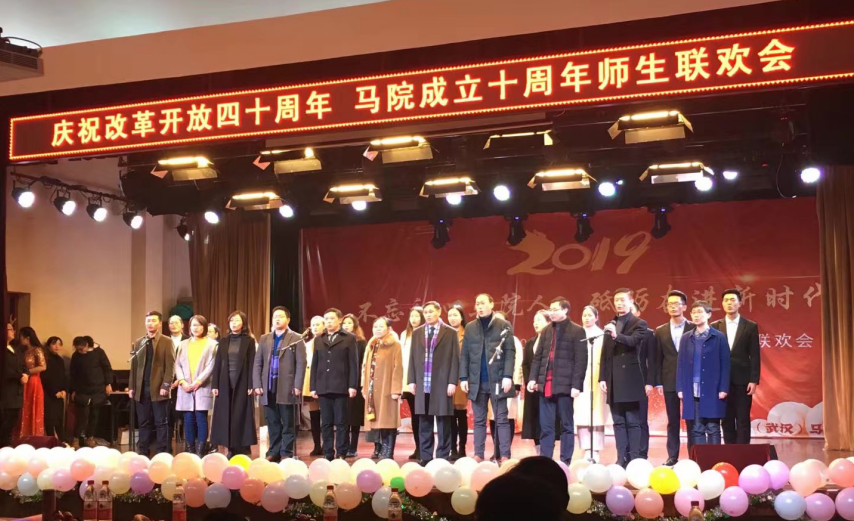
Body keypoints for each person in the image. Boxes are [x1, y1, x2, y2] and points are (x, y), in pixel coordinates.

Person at [527, 298, 586, 465]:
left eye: (555, 309)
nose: (551, 312)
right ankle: (545, 461)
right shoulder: (547, 330)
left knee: (566, 425)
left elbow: (581, 361)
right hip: (546, 385)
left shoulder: (577, 331)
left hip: (565, 386)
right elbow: (538, 357)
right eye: (550, 309)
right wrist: (533, 378)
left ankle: (565, 461)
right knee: (546, 426)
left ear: (565, 310)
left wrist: (576, 385)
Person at [460, 294, 515, 463]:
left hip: (498, 380)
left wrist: (507, 376)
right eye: (477, 304)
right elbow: (465, 354)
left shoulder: (503, 325)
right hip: (477, 381)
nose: (479, 306)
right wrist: (463, 377)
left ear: (492, 304)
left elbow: (510, 353)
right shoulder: (470, 327)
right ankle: (478, 454)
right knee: (479, 420)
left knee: (501, 419)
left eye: (483, 303)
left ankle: (504, 455)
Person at [599, 288, 648, 467]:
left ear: (631, 301)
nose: (619, 303)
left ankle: (634, 458)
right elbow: (605, 353)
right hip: (613, 379)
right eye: (616, 300)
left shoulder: (639, 323)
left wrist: (616, 335)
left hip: (631, 379)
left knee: (633, 421)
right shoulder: (611, 323)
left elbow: (634, 341)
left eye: (622, 300)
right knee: (618, 421)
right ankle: (621, 458)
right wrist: (602, 377)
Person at [408, 301, 460, 464]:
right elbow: (412, 358)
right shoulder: (417, 333)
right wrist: (411, 380)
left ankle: (442, 456)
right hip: (423, 382)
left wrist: (452, 381)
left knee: (443, 421)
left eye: (431, 312)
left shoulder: (450, 332)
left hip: (442, 383)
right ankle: (425, 456)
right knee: (424, 421)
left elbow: (455, 359)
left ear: (438, 312)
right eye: (426, 312)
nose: (428, 315)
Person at [253, 306, 307, 462]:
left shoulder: (296, 338)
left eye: (281, 316)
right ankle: (274, 451)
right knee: (272, 421)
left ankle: (286, 451)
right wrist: (257, 383)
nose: (277, 319)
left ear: (288, 320)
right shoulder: (265, 338)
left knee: (288, 422)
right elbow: (258, 363)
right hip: (268, 386)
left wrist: (297, 385)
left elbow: (301, 364)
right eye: (275, 316)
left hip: (287, 386)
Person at [676, 301, 730, 446]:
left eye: (700, 312)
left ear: (709, 315)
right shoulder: (686, 338)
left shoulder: (718, 337)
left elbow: (725, 365)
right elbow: (680, 364)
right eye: (694, 312)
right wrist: (680, 387)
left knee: (713, 427)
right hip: (691, 388)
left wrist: (723, 388)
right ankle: (700, 458)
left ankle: (714, 458)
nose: (696, 315)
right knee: (696, 428)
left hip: (712, 388)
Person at [712, 288, 761, 445]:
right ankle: (730, 451)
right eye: (726, 300)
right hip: (722, 381)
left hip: (743, 380)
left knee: (742, 418)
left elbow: (755, 355)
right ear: (722, 304)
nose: (729, 303)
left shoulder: (750, 326)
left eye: (732, 300)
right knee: (726, 419)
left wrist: (753, 380)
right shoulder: (715, 326)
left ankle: (743, 452)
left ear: (740, 303)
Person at [653, 290, 695, 465]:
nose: (673, 307)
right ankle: (672, 456)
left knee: (692, 419)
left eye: (677, 303)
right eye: (670, 304)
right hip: (669, 379)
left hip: (690, 380)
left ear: (684, 307)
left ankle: (694, 455)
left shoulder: (693, 327)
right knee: (673, 420)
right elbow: (657, 358)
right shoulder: (660, 330)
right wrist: (658, 382)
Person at [311, 308, 358, 461]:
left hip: (341, 386)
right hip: (323, 386)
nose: (329, 322)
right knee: (326, 422)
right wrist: (313, 386)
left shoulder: (349, 338)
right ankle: (328, 452)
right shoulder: (319, 339)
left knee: (341, 422)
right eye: (326, 319)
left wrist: (352, 385)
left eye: (332, 318)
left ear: (339, 320)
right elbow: (315, 363)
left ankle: (342, 452)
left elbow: (353, 364)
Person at [211, 311, 258, 457]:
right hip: (225, 382)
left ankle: (242, 447)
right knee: (226, 415)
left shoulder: (249, 341)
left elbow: (252, 364)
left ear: (243, 323)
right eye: (231, 320)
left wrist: (251, 384)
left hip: (242, 382)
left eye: (237, 320)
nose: (234, 323)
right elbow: (217, 364)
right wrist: (215, 384)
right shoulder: (224, 341)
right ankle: (229, 446)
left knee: (241, 415)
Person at [129, 311, 175, 456]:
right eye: (148, 321)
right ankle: (143, 450)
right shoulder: (139, 342)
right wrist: (132, 387)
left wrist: (166, 385)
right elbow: (134, 366)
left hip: (158, 387)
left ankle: (162, 451)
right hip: (141, 388)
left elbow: (170, 365)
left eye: (154, 321)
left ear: (160, 324)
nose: (150, 323)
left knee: (161, 422)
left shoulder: (167, 341)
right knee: (143, 422)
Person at [175, 315, 217, 455]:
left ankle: (201, 450)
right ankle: (190, 450)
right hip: (185, 387)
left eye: (199, 325)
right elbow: (177, 365)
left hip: (202, 386)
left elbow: (212, 365)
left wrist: (199, 381)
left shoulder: (212, 344)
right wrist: (182, 381)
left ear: (204, 327)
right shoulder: (183, 344)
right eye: (193, 325)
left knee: (201, 418)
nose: (196, 328)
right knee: (188, 419)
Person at [363, 317, 403, 459]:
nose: (377, 329)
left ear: (389, 328)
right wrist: (365, 388)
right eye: (375, 326)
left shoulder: (395, 345)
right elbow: (366, 368)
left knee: (388, 421)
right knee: (378, 421)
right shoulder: (372, 344)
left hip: (388, 388)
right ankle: (380, 449)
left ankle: (388, 451)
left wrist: (396, 390)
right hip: (373, 390)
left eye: (381, 326)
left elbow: (398, 368)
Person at [488, 311, 523, 462]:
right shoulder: (489, 339)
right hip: (491, 384)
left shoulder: (513, 339)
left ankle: (505, 451)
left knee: (507, 417)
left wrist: (516, 383)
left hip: (508, 384)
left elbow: (518, 363)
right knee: (493, 417)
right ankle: (496, 450)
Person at [576, 306, 610, 462]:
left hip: (597, 377)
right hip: (580, 378)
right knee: (581, 413)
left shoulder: (602, 335)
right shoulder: (577, 334)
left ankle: (595, 449)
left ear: (596, 317)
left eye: (590, 315)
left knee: (597, 413)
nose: (586, 318)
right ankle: (585, 448)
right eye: (584, 315)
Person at [69, 336, 113, 448]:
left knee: (94, 415)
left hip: (98, 389)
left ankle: (90, 437)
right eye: (77, 349)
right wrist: (73, 390)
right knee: (82, 416)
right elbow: (73, 373)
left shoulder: (99, 352)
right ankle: (76, 438)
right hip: (82, 390)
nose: (79, 351)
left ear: (86, 345)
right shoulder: (76, 356)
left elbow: (107, 368)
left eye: (81, 349)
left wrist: (108, 384)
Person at [520, 310, 550, 451]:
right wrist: (530, 381)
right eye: (534, 321)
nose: (535, 323)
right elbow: (525, 364)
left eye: (539, 320)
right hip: (532, 388)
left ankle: (547, 447)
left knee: (546, 418)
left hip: (547, 386)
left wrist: (541, 382)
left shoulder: (552, 342)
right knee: (534, 417)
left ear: (548, 322)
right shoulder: (531, 342)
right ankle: (537, 446)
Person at [631, 303, 656, 460]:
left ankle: (641, 453)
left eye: (632, 311)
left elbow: (651, 360)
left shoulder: (648, 334)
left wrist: (649, 382)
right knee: (626, 419)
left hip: (640, 381)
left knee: (641, 419)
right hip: (622, 382)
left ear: (638, 313)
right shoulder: (617, 333)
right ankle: (628, 452)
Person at [400, 306, 425, 461]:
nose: (414, 319)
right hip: (407, 381)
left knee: (423, 415)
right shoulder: (405, 334)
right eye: (412, 316)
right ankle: (418, 447)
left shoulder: (425, 332)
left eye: (417, 316)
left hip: (422, 380)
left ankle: (425, 447)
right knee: (415, 415)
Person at [341, 314, 367, 458]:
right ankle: (343, 446)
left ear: (355, 326)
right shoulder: (339, 341)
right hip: (340, 384)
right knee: (343, 417)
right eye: (344, 323)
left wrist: (357, 384)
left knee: (354, 418)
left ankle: (353, 447)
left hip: (355, 383)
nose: (346, 325)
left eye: (349, 323)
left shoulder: (361, 343)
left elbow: (362, 365)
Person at [446, 304, 468, 460]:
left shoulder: (467, 334)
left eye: (455, 315)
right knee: (450, 416)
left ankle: (462, 448)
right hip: (446, 379)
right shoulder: (445, 334)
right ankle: (452, 448)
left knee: (460, 413)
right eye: (450, 315)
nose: (452, 318)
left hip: (461, 379)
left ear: (461, 317)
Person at [16, 327, 46, 437]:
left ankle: (33, 435)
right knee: (23, 408)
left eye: (21, 336)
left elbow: (43, 367)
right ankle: (22, 435)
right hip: (24, 381)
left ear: (27, 338)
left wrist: (27, 372)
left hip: (33, 382)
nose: (19, 338)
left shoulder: (37, 350)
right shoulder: (22, 351)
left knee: (32, 408)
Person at [2, 323, 27, 447]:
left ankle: (7, 445)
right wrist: (20, 376)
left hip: (17, 391)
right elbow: (5, 369)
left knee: (12, 420)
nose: (13, 331)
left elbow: (23, 365)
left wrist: (26, 374)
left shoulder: (16, 349)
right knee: (5, 421)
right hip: (6, 391)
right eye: (10, 329)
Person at [303, 316, 325, 456]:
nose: (315, 327)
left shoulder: (327, 341)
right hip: (311, 380)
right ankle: (317, 445)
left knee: (326, 415)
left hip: (325, 380)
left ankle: (327, 444)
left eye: (318, 324)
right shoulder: (308, 344)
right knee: (314, 414)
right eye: (313, 325)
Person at [167, 316, 188, 445]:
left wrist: (179, 380)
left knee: (185, 415)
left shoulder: (188, 340)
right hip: (168, 383)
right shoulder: (165, 340)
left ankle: (189, 445)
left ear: (182, 325)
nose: (173, 325)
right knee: (168, 415)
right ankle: (167, 445)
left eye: (176, 322)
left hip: (185, 382)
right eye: (171, 323)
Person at [42, 336, 68, 441]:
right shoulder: (46, 359)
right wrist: (54, 392)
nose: (57, 346)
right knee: (49, 420)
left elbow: (63, 377)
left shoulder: (60, 360)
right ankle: (51, 442)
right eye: (54, 344)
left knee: (59, 420)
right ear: (48, 346)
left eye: (59, 344)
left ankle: (62, 441)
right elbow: (45, 377)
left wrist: (64, 390)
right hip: (49, 394)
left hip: (60, 394)